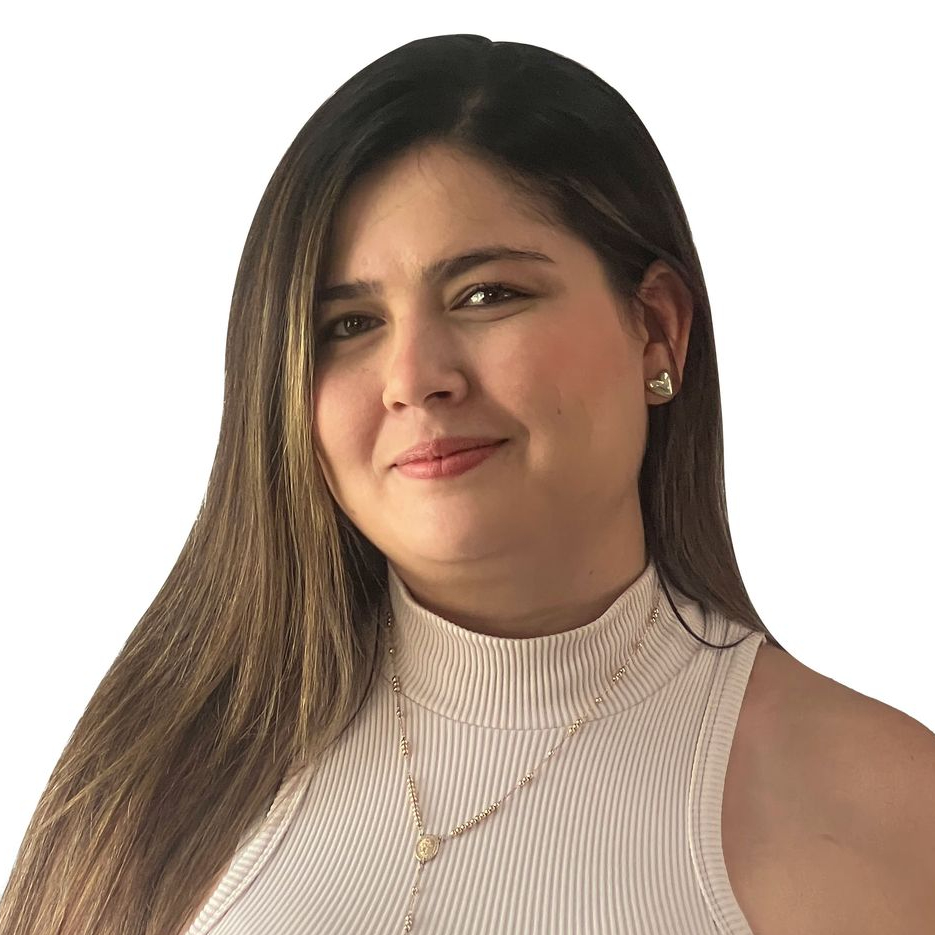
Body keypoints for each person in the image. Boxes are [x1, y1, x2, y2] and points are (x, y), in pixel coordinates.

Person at [2, 34, 933, 935]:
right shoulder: (148, 776)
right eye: (348, 325)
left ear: (656, 328)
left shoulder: (877, 805)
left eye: (487, 295)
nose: (414, 377)